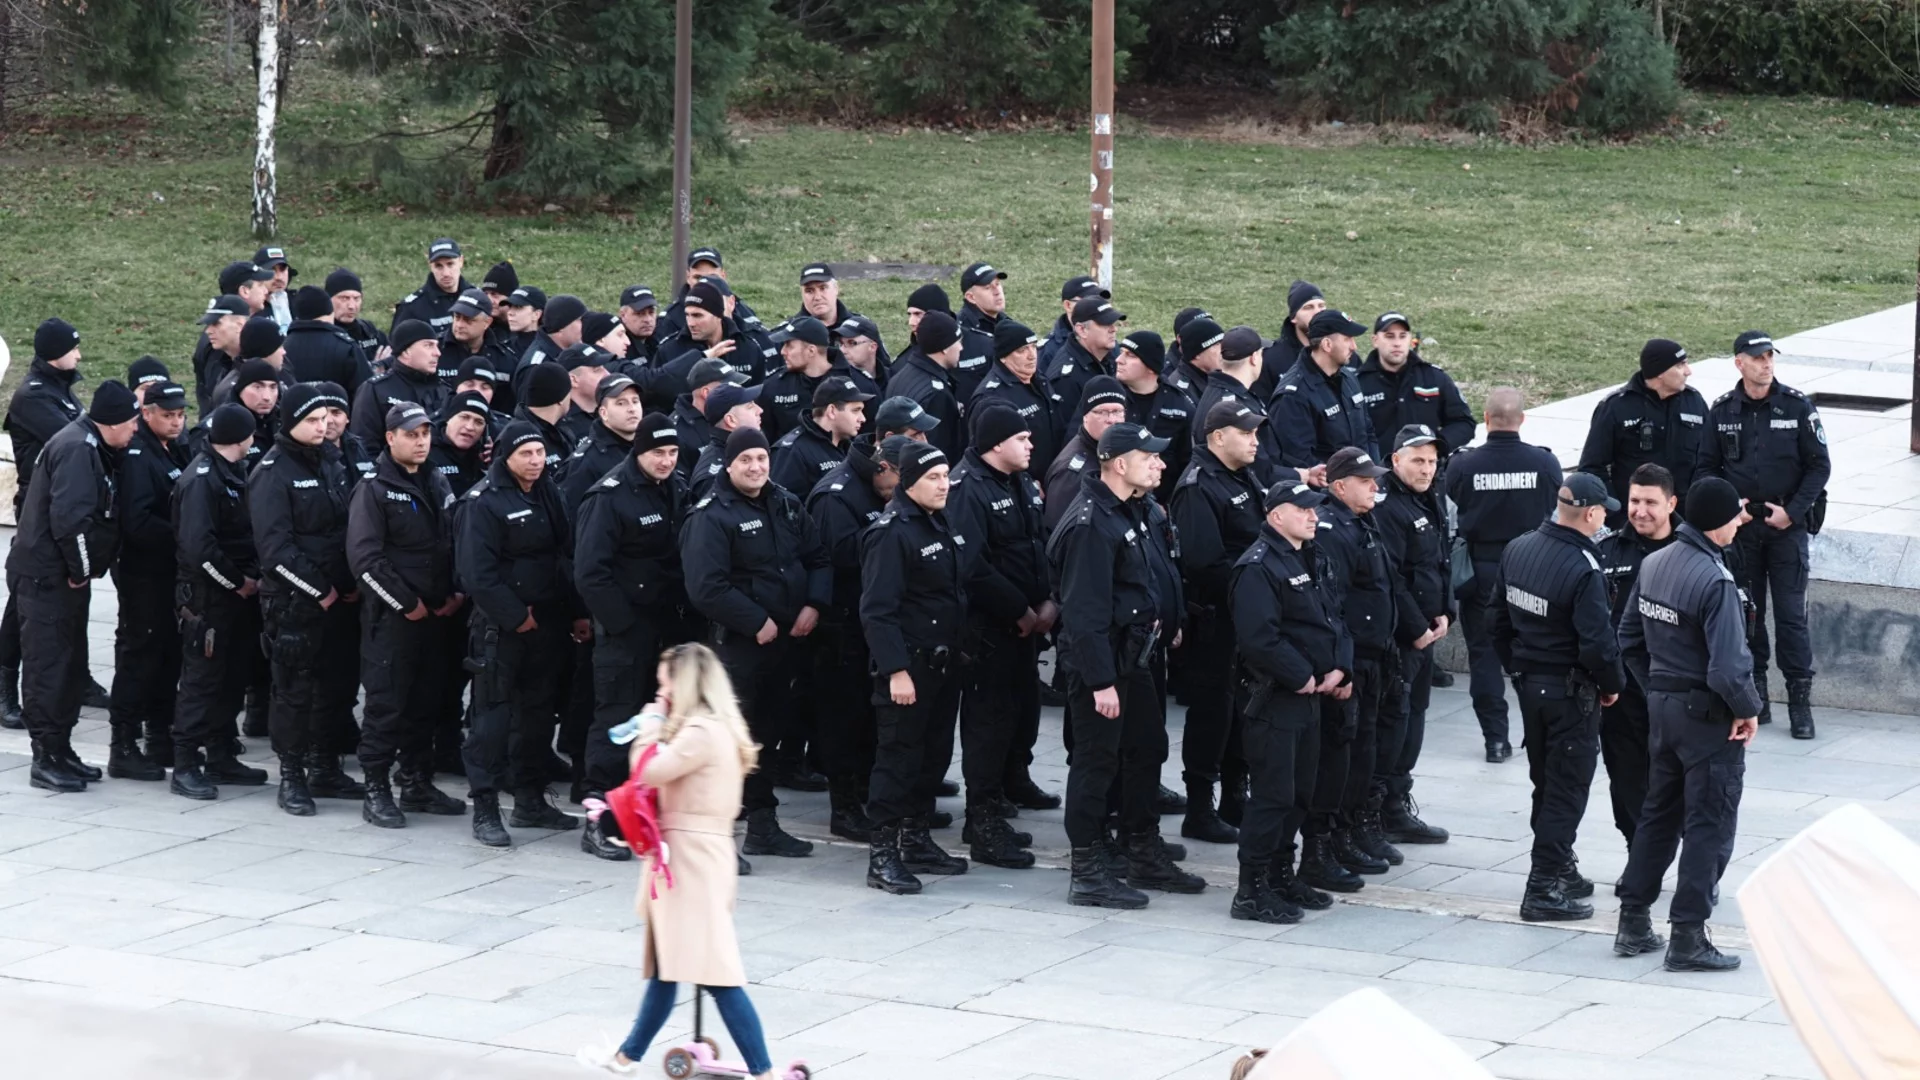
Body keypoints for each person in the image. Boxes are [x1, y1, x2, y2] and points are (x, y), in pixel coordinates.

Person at [574, 645, 783, 1079]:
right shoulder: (716, 725)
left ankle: (763, 1070)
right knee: (672, 965)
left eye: (666, 681)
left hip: (690, 858)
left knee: (713, 969)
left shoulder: (700, 732)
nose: (659, 690)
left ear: (683, 683)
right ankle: (627, 1057)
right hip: (700, 852)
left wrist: (650, 726)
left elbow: (646, 772)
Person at [1049, 423, 1202, 908]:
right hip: (1105, 667)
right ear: (1118, 463)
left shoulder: (1132, 509)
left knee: (1147, 748)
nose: (1160, 463)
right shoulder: (1093, 522)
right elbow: (1083, 612)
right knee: (1096, 766)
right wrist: (1100, 682)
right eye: (1149, 456)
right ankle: (1088, 870)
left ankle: (1140, 847)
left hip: (1135, 658)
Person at [1614, 477, 1760, 973]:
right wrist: (1747, 708)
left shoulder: (1654, 563)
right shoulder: (1714, 580)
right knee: (1707, 824)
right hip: (1707, 717)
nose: (1741, 522)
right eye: (1735, 516)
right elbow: (1726, 668)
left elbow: (1629, 637)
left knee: (1658, 815)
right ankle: (1688, 937)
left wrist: (1656, 686)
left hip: (1663, 709)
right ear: (1717, 521)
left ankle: (1633, 921)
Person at [681, 428, 831, 860]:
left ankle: (763, 825)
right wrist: (757, 621)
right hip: (740, 647)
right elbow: (706, 586)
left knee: (764, 737)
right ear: (729, 464)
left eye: (762, 459)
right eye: (745, 459)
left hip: (785, 643)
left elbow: (817, 557)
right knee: (730, 741)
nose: (756, 467)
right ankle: (713, 839)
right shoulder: (710, 515)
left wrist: (814, 604)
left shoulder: (785, 502)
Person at [1492, 472, 1627, 923]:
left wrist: (1518, 667)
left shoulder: (1519, 547)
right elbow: (1597, 644)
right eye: (1603, 511)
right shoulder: (1583, 567)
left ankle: (1560, 869)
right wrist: (1613, 685)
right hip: (1571, 694)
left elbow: (1497, 621)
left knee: (1546, 783)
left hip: (1531, 687)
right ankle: (1542, 888)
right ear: (1590, 514)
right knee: (1565, 792)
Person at [1696, 330, 1830, 739]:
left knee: (1792, 620)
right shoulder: (1721, 411)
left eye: (1770, 355)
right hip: (1743, 531)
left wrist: (1791, 513)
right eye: (1757, 357)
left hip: (1785, 530)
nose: (1766, 363)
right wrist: (1730, 507)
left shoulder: (1796, 405)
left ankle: (1800, 706)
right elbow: (1705, 469)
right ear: (1739, 362)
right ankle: (1757, 700)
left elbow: (1819, 466)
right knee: (1748, 617)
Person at [457, 421, 584, 847]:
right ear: (505, 457)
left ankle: (530, 799)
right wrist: (515, 616)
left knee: (536, 717)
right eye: (526, 454)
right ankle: (486, 807)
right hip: (501, 629)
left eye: (540, 453)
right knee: (491, 720)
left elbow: (566, 554)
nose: (535, 461)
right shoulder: (483, 502)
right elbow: (477, 573)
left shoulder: (550, 492)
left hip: (547, 624)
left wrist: (575, 612)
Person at [1227, 480, 1349, 923]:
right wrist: (1301, 676)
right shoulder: (1259, 567)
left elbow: (1334, 617)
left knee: (1300, 793)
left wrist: (1341, 667)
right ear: (1276, 516)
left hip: (1310, 696)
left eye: (1315, 509)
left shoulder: (1311, 555)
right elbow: (1260, 638)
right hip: (1276, 698)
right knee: (1272, 796)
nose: (1315, 516)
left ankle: (1280, 872)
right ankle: (1251, 889)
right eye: (1304, 510)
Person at [8, 381, 140, 791]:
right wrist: (82, 571)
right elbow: (71, 523)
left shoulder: (86, 443)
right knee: (49, 666)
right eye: (132, 422)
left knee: (66, 662)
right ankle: (46, 756)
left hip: (54, 575)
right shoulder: (78, 451)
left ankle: (61, 749)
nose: (136, 430)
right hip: (49, 578)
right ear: (113, 423)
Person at [573, 414, 692, 861]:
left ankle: (643, 812)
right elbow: (590, 573)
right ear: (638, 451)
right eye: (657, 452)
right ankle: (598, 819)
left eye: (672, 453)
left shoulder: (675, 486)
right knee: (616, 722)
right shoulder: (609, 497)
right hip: (626, 631)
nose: (665, 461)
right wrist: (622, 626)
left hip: (667, 627)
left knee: (660, 724)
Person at [346, 403, 469, 829]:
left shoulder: (435, 478)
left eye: (425, 434)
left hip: (438, 616)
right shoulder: (374, 488)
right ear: (390, 437)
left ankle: (417, 781)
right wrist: (407, 604)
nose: (420, 442)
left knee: (426, 704)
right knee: (387, 705)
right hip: (394, 620)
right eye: (411, 434)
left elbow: (454, 540)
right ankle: (376, 787)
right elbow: (365, 560)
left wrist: (456, 591)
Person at [860, 440, 975, 893]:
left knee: (932, 758)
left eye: (946, 476)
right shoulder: (892, 532)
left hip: (942, 666)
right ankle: (883, 855)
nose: (943, 485)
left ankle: (917, 839)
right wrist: (895, 671)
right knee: (898, 761)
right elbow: (877, 611)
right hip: (908, 669)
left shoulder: (937, 522)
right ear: (908, 482)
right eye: (933, 477)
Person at [949, 406, 1059, 858]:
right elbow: (972, 566)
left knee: (1019, 713)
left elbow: (1038, 544)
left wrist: (1048, 599)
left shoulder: (1016, 481)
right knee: (988, 723)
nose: (1031, 446)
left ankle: (1008, 788)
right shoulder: (967, 489)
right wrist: (1019, 610)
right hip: (990, 629)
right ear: (997, 444)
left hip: (1026, 623)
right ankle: (982, 820)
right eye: (1022, 439)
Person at [250, 383, 357, 816]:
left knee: (337, 687)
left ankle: (324, 765)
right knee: (294, 692)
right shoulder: (272, 472)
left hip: (340, 599)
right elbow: (276, 551)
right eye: (311, 421)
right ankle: (292, 775)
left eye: (325, 419)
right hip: (296, 603)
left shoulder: (332, 460)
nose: (322, 426)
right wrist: (322, 590)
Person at [1168, 401, 1270, 844]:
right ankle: (1199, 807)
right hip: (1214, 619)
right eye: (1245, 433)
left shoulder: (1240, 474)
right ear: (1217, 437)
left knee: (1241, 710)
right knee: (1212, 712)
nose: (1254, 440)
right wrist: (1259, 580)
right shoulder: (1198, 486)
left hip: (1243, 615)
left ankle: (1234, 794)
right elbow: (1205, 562)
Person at [1444, 387, 1563, 762]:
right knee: (1538, 656)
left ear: (1486, 417)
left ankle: (1496, 740)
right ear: (1522, 420)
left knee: (1484, 657)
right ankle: (1542, 736)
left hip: (1483, 570)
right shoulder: (1544, 463)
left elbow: (1452, 506)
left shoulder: (1463, 465)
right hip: (1535, 569)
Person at [1300, 447, 1397, 893]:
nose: (1375, 486)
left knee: (1363, 752)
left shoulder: (1361, 520)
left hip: (1370, 656)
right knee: (1339, 756)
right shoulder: (1332, 529)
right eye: (1366, 480)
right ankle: (1325, 843)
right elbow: (1331, 603)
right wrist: (1340, 666)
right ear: (1340, 486)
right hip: (1350, 661)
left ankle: (1351, 829)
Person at [170, 404, 275, 799]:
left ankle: (219, 754)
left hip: (235, 599)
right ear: (242, 438)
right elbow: (199, 549)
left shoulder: (234, 471)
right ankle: (185, 764)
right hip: (209, 598)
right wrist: (237, 583)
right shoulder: (202, 479)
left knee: (232, 678)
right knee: (202, 681)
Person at [2, 318, 92, 728]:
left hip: (62, 509)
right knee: (24, 601)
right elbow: (78, 440)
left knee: (75, 594)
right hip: (37, 515)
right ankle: (3, 686)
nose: (79, 354)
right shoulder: (34, 397)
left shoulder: (60, 390)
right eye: (73, 348)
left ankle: (79, 675)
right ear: (53, 352)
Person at [805, 436, 896, 844]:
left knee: (867, 718)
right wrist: (886, 527)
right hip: (841, 625)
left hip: (869, 622)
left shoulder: (875, 486)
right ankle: (843, 807)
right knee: (842, 719)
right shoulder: (837, 495)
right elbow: (835, 554)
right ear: (881, 467)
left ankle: (864, 794)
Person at [1367, 425, 1453, 847]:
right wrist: (1417, 627)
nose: (1426, 468)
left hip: (1427, 630)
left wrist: (1446, 611)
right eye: (1418, 460)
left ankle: (1397, 802)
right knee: (1394, 722)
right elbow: (1391, 577)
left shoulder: (1429, 496)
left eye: (1432, 461)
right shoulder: (1387, 505)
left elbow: (1439, 560)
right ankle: (1380, 809)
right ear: (1395, 459)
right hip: (1404, 637)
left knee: (1414, 718)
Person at [107, 379, 193, 781]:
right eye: (168, 415)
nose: (176, 422)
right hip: (144, 574)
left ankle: (160, 735)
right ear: (147, 414)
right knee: (140, 655)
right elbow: (138, 521)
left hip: (167, 574)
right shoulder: (141, 455)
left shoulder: (171, 447)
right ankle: (123, 744)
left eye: (180, 415)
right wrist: (183, 536)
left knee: (168, 655)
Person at [1597, 462, 1680, 849]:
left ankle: (1669, 846)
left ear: (1671, 504)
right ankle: (1638, 850)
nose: (1640, 510)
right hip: (1623, 689)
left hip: (1678, 690)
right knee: (1627, 775)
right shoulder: (1607, 550)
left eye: (1650, 502)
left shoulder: (1693, 553)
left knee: (1677, 777)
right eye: (1634, 501)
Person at [1577, 338, 1707, 522]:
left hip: (1685, 521)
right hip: (1636, 522)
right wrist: (1618, 513)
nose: (1688, 371)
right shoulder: (1616, 407)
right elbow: (1592, 467)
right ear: (1659, 372)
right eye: (1680, 365)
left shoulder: (1694, 402)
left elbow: (1709, 459)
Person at [1355, 313, 1475, 461]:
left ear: (1410, 339)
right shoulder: (1357, 384)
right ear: (1375, 340)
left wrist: (1437, 446)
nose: (1397, 343)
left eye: (1402, 336)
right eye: (1390, 336)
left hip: (1427, 475)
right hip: (1377, 475)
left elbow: (1464, 423)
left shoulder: (1434, 378)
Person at [1271, 309, 1380, 471]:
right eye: (1347, 339)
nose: (1354, 346)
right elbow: (1298, 460)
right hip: (1326, 491)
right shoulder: (1293, 395)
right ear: (1327, 345)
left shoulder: (1349, 378)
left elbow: (1368, 432)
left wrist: (1373, 472)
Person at [1192, 326, 1289, 488]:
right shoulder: (1234, 406)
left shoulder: (1219, 392)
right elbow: (1258, 470)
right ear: (1254, 358)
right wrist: (1300, 475)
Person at [969, 319, 1061, 474]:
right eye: (1022, 350)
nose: (1032, 356)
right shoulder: (991, 397)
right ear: (1003, 357)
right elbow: (987, 454)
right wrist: (1025, 483)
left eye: (1033, 347)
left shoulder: (1039, 380)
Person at [1114, 330, 1195, 500]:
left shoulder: (1181, 405)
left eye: (1130, 355)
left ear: (1150, 367)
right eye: (1121, 353)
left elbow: (1188, 463)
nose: (1119, 360)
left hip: (1163, 503)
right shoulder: (1109, 398)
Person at [1043, 376, 1128, 532]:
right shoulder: (1070, 473)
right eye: (1101, 412)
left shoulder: (1119, 451)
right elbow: (1059, 532)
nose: (1111, 420)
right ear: (1085, 416)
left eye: (1117, 411)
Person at [350, 320, 447, 446]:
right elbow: (364, 444)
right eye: (428, 345)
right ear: (406, 351)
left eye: (436, 345)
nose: (437, 353)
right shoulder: (376, 390)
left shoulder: (444, 390)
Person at [885, 311, 967, 460]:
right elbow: (939, 451)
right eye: (958, 342)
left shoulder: (899, 377)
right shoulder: (937, 394)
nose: (961, 348)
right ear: (945, 348)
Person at [771, 375, 869, 496]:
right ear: (832, 411)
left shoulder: (849, 447)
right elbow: (781, 503)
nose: (862, 418)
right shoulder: (792, 451)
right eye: (855, 410)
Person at [560, 373, 645, 511]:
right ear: (603, 413)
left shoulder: (650, 447)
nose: (631, 409)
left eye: (635, 401)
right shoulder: (584, 463)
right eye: (621, 403)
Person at [1044, 296, 1124, 436]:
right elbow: (1067, 432)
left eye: (1113, 323)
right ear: (1081, 330)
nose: (1113, 329)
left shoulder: (1108, 356)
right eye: (1105, 324)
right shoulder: (1067, 378)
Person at [283, 285, 371, 398]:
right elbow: (366, 393)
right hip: (341, 413)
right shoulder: (346, 346)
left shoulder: (282, 347)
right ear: (330, 311)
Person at [688, 383, 764, 500]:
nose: (760, 410)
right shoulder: (712, 477)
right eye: (750, 406)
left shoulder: (748, 449)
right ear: (731, 420)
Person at [1259, 280, 1325, 402]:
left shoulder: (1344, 353)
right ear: (1293, 317)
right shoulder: (1270, 359)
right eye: (1308, 307)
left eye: (1321, 306)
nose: (1317, 312)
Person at [391, 238, 472, 334]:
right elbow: (397, 346)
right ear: (430, 266)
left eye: (450, 264)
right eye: (438, 266)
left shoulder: (477, 298)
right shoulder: (412, 308)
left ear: (461, 261)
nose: (446, 273)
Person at [1036, 275, 1110, 372]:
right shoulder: (1049, 349)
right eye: (1087, 302)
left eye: (1099, 301)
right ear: (1068, 305)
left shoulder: (1108, 338)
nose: (1096, 306)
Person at [326, 269, 390, 377]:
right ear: (328, 299)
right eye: (344, 298)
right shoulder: (324, 335)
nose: (352, 306)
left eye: (356, 298)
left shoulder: (370, 332)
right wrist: (374, 368)